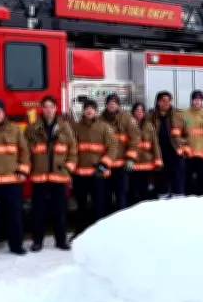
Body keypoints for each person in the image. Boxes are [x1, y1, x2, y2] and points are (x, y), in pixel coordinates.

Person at [25, 95, 77, 252]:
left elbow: (73, 150)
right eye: (45, 107)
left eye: (51, 107)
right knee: (38, 211)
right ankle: (37, 241)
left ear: (56, 108)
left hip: (59, 176)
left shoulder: (65, 127)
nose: (48, 110)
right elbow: (25, 151)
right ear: (42, 109)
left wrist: (68, 169)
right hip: (39, 176)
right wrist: (29, 169)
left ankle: (61, 241)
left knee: (60, 211)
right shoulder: (32, 128)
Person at [0, 99, 30, 256]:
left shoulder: (15, 129)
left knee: (14, 215)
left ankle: (16, 245)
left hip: (12, 181)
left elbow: (24, 151)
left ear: (4, 113)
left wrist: (23, 171)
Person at [71, 99, 116, 237]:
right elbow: (71, 148)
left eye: (91, 108)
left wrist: (104, 164)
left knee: (99, 205)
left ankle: (99, 234)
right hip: (80, 175)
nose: (89, 110)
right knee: (81, 206)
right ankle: (80, 233)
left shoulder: (104, 127)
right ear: (83, 111)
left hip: (98, 174)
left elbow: (113, 147)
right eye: (87, 108)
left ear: (96, 111)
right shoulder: (75, 127)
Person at [99, 93, 140, 212]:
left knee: (121, 196)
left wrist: (130, 158)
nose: (112, 105)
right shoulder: (100, 119)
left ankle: (121, 220)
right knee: (105, 196)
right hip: (105, 165)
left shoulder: (127, 118)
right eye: (109, 103)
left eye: (114, 103)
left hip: (122, 166)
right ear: (106, 105)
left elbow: (135, 139)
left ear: (118, 105)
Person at [147, 91, 186, 198]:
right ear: (157, 102)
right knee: (161, 180)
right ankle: (162, 201)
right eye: (163, 100)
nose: (166, 103)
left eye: (168, 100)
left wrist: (181, 143)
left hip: (175, 153)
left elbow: (188, 133)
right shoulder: (150, 116)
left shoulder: (179, 114)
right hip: (159, 154)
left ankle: (178, 200)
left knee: (177, 180)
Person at [130, 102, 162, 205]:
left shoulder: (149, 125)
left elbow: (155, 144)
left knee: (145, 190)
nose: (139, 112)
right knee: (132, 190)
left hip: (147, 163)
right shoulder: (128, 124)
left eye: (141, 110)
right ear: (133, 112)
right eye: (137, 110)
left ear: (144, 113)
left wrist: (158, 160)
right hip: (132, 163)